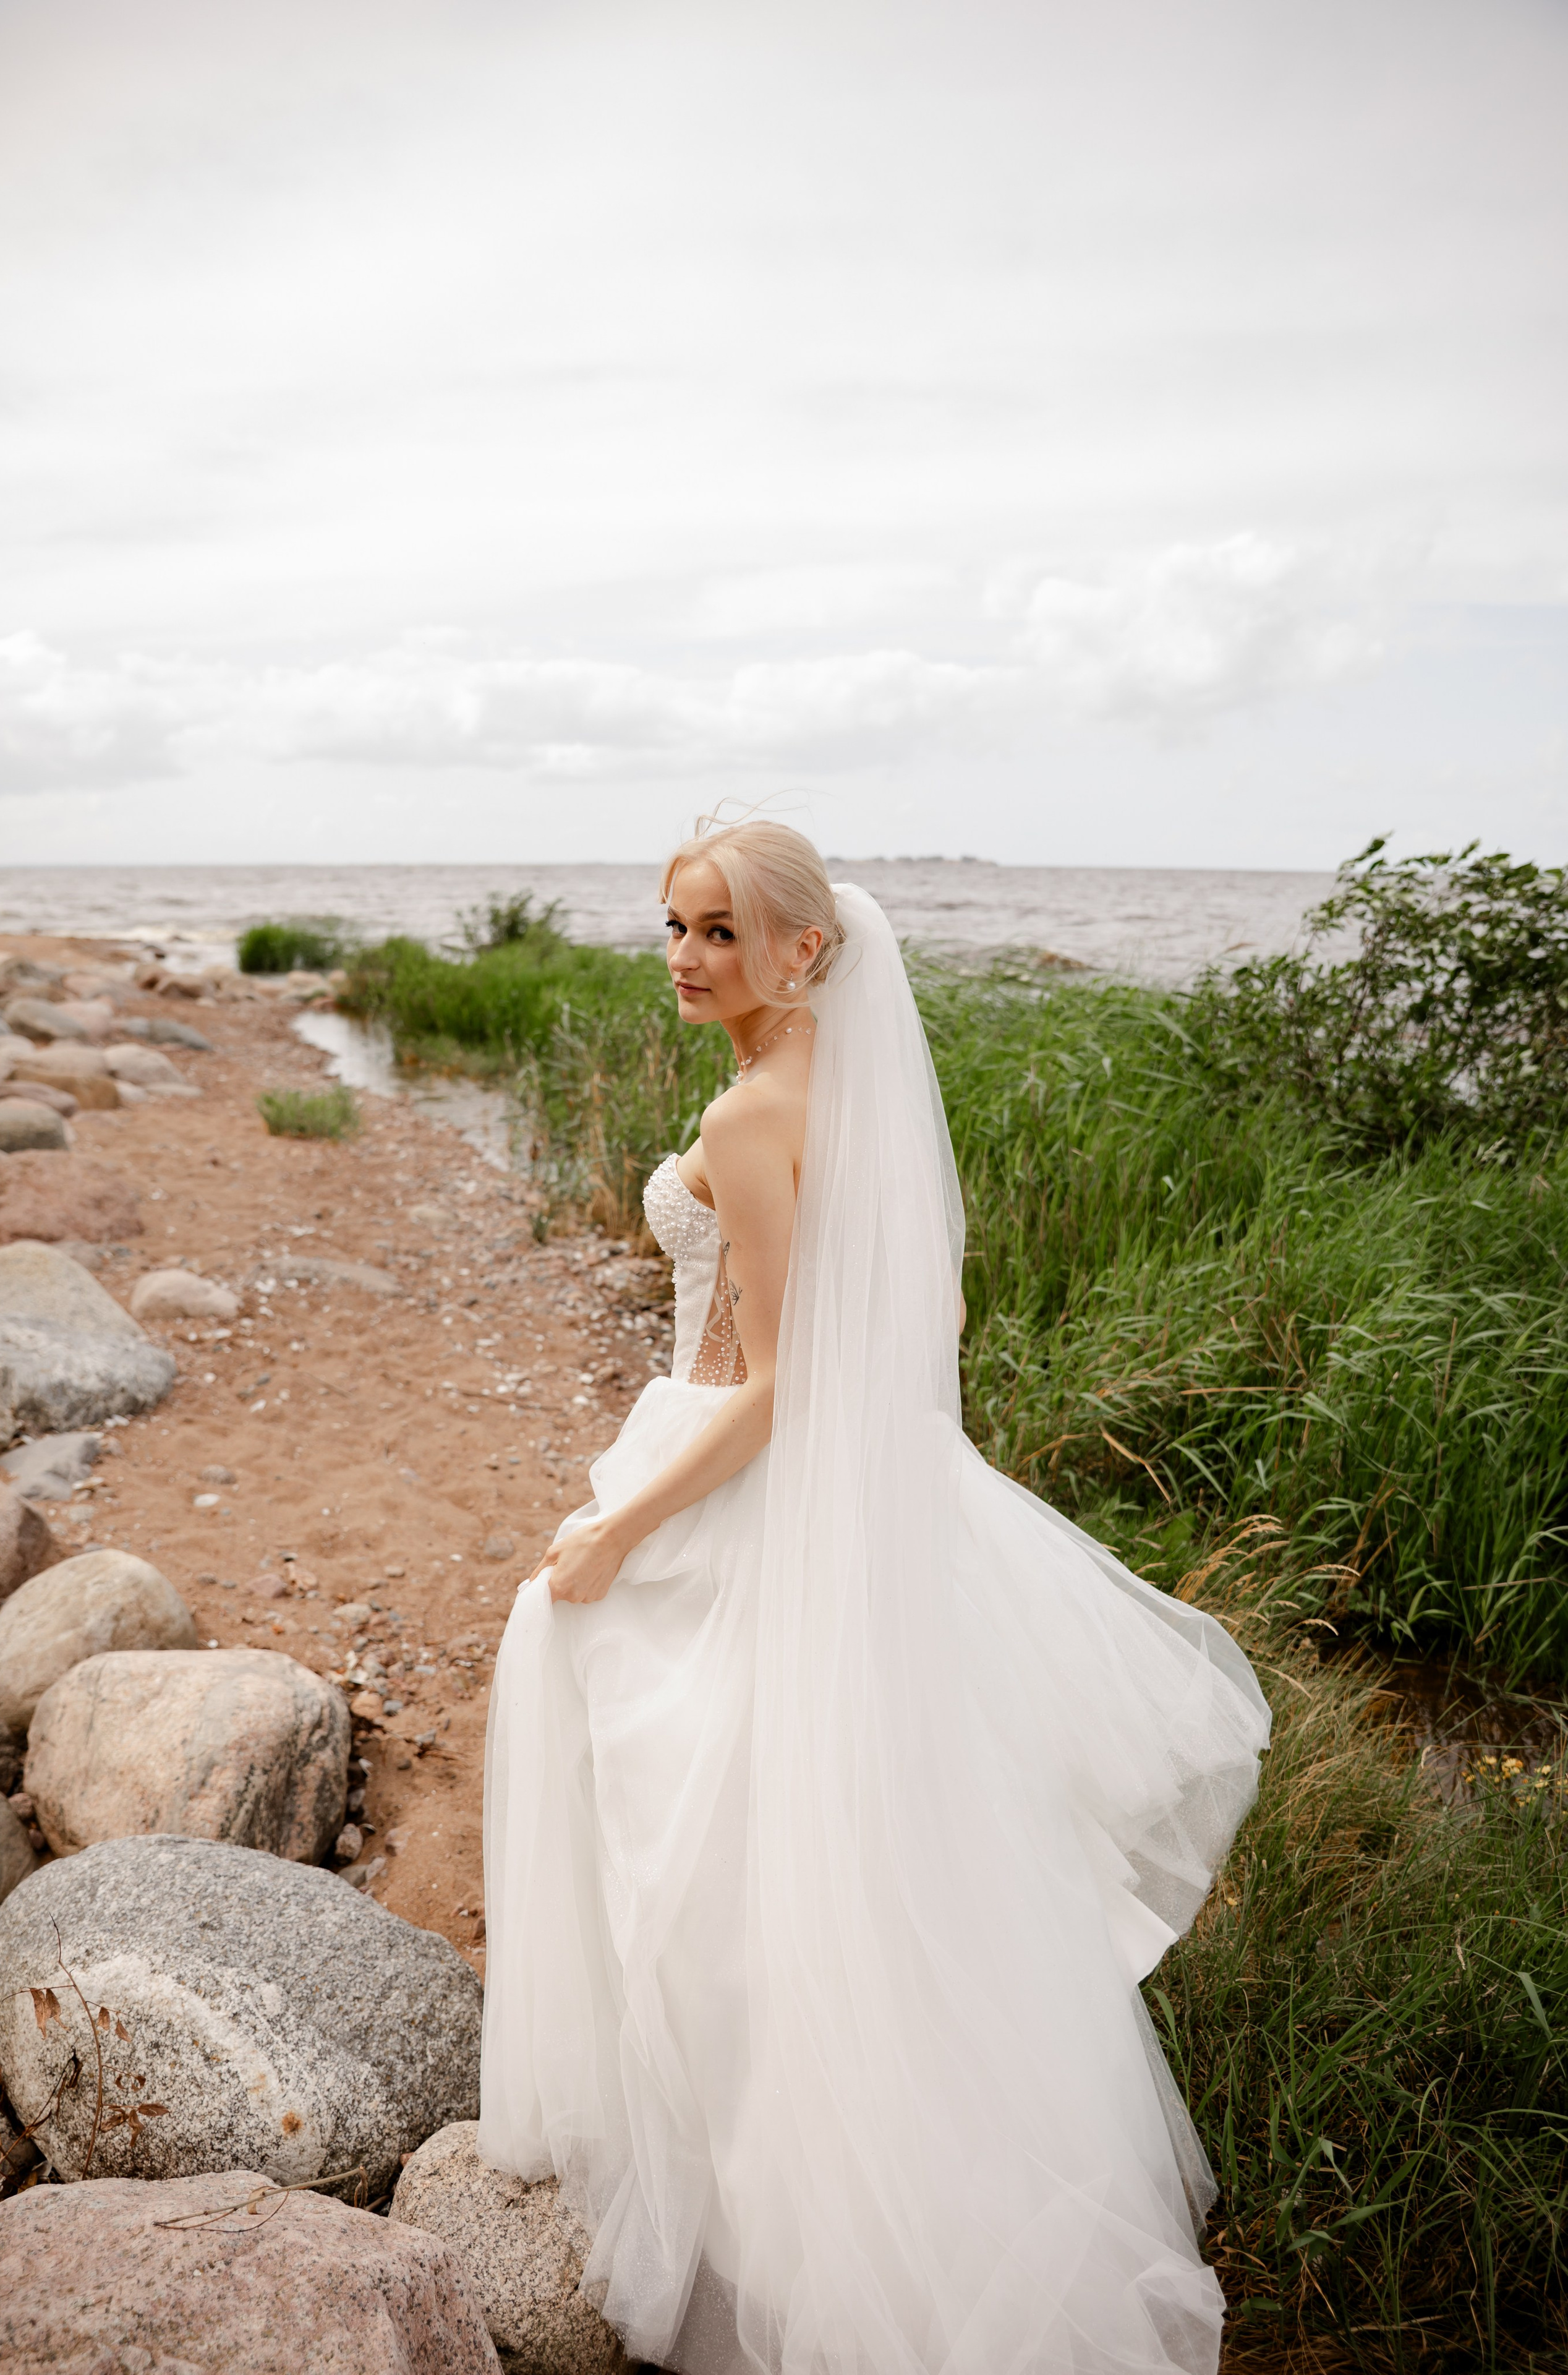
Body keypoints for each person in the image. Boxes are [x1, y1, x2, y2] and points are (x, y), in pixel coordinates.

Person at [480, 816, 1271, 2375]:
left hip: (736, 1463)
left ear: (805, 950)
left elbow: (771, 1386)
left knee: (621, 1716)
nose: (685, 960)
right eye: (673, 927)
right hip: (835, 1478)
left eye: (718, 933)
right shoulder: (856, 1096)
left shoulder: (761, 1110)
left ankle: (726, 2171)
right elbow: (929, 1307)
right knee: (817, 1823)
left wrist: (615, 1533)